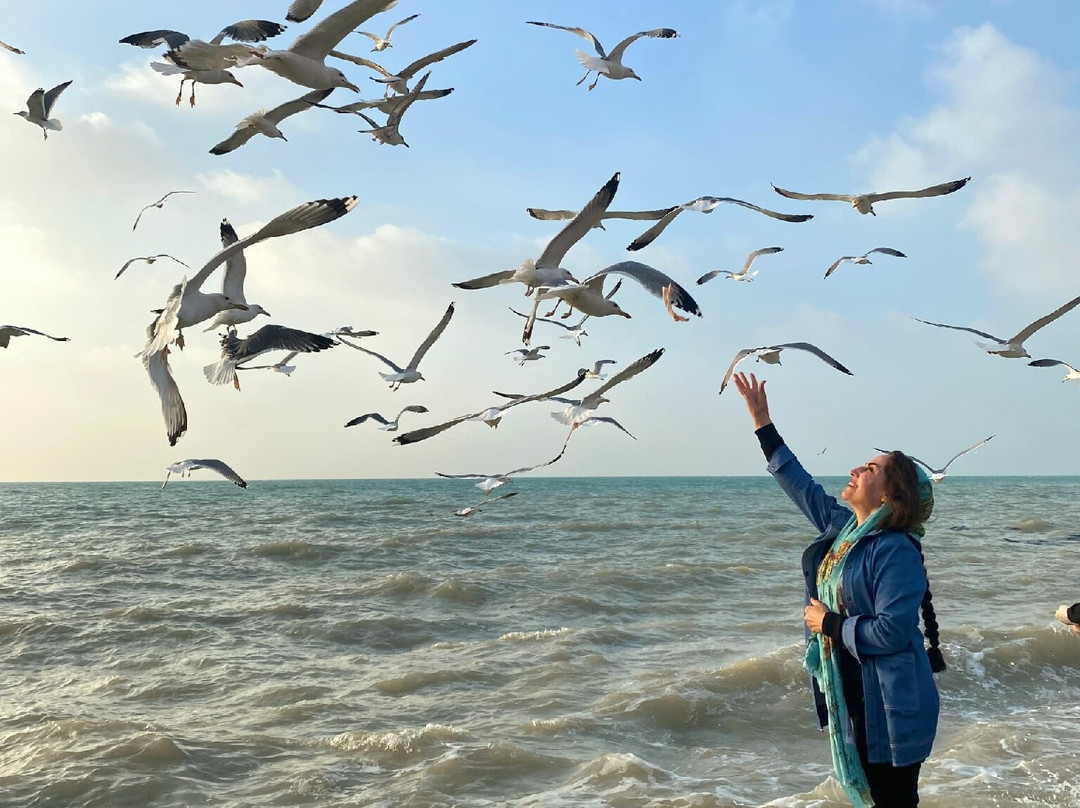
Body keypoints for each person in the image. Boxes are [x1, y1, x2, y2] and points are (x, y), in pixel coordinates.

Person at [732, 372, 945, 808]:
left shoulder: (895, 551)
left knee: (892, 801)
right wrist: (761, 422)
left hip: (890, 708)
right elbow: (799, 484)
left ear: (890, 497)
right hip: (853, 696)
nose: (854, 469)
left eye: (870, 469)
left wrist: (828, 622)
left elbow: (892, 632)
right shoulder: (843, 529)